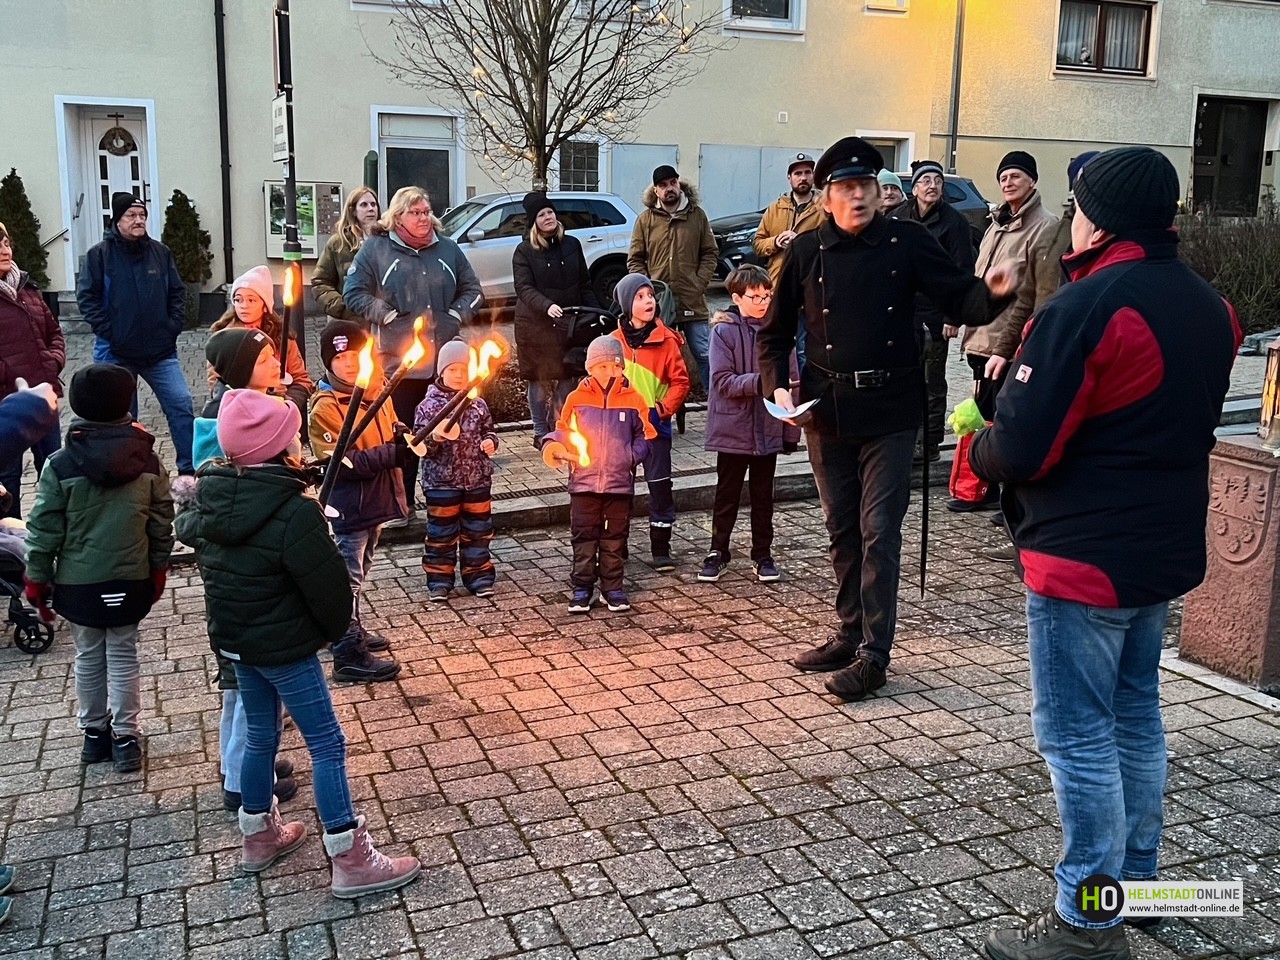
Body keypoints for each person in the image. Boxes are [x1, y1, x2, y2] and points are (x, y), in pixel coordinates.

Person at [972, 147, 1241, 960]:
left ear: (1100, 219)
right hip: (1158, 550)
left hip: (1083, 556)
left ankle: (1088, 921)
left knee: (1078, 736)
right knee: (1135, 717)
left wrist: (980, 444)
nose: (1074, 217)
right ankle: (1139, 887)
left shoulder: (1086, 306)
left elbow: (1024, 448)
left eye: (1079, 204)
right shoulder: (1212, 307)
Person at [760, 136, 1016, 703]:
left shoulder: (908, 240)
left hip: (892, 412)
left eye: (866, 186)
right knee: (842, 529)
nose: (857, 196)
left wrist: (995, 292)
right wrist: (775, 384)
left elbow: (960, 299)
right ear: (826, 198)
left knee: (879, 531)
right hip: (827, 411)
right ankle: (849, 632)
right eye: (846, 188)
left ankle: (875, 655)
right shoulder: (806, 251)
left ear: (879, 194)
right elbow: (773, 334)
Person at [175, 389, 422, 899]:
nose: (299, 446)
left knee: (261, 734)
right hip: (285, 646)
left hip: (237, 642)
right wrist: (333, 635)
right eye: (292, 439)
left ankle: (258, 835)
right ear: (277, 449)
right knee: (327, 743)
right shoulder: (293, 512)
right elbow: (329, 589)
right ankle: (350, 857)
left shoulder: (214, 497)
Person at [24, 363, 175, 774]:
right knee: (124, 654)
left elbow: (44, 527)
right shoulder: (147, 459)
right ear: (126, 402)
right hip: (132, 576)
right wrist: (158, 566)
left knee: (89, 656)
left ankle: (94, 735)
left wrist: (37, 576)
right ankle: (126, 737)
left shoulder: (60, 464)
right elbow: (161, 520)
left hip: (79, 582)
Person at [344, 186, 484, 525]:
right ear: (398, 216)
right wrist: (387, 315)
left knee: (448, 436)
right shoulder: (376, 249)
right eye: (415, 213)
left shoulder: (447, 249)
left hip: (444, 367)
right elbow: (353, 293)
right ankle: (402, 505)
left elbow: (473, 290)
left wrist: (456, 315)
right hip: (399, 365)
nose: (423, 218)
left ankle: (447, 503)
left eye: (426, 211)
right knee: (404, 437)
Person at [948, 152, 1056, 512]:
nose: (1008, 183)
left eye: (1016, 176)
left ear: (1033, 181)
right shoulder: (996, 225)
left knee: (1009, 420)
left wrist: (1020, 345)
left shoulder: (1045, 227)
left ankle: (1009, 496)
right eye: (1003, 177)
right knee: (981, 415)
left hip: (1011, 343)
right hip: (981, 338)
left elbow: (1040, 295)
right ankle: (982, 488)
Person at [308, 319, 406, 683]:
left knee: (361, 569)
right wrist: (391, 455)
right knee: (346, 576)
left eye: (355, 355)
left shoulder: (378, 391)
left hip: (376, 499)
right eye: (340, 357)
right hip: (349, 503)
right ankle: (347, 651)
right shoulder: (325, 407)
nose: (349, 363)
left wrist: (405, 437)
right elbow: (340, 462)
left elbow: (392, 426)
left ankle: (347, 626)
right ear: (327, 362)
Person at [76, 192, 194, 474]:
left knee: (181, 404)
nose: (138, 220)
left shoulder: (160, 253)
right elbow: (87, 299)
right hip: (115, 352)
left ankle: (190, 470)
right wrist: (111, 332)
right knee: (122, 416)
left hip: (160, 352)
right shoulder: (99, 256)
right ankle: (130, 472)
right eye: (131, 215)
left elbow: (177, 293)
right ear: (117, 220)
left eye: (142, 215)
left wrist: (172, 327)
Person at [698, 264, 798, 585]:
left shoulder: (779, 333)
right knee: (726, 495)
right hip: (732, 431)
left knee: (763, 496)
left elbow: (792, 382)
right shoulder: (723, 331)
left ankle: (762, 554)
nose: (763, 302)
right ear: (737, 298)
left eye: (767, 295)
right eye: (755, 297)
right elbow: (721, 381)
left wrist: (791, 430)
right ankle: (717, 551)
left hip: (768, 428)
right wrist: (763, 382)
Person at [541, 335, 654, 614]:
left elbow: (646, 435)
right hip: (583, 484)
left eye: (614, 366)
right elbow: (562, 430)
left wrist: (630, 456)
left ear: (622, 367)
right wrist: (553, 445)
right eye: (602, 367)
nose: (609, 372)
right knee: (584, 537)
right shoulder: (576, 399)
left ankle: (612, 588)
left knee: (614, 538)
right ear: (590, 368)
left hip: (619, 485)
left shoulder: (634, 400)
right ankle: (582, 588)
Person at [890, 160, 977, 464]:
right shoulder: (898, 216)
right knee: (903, 378)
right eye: (926, 181)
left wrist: (953, 316)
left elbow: (962, 270)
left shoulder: (954, 222)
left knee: (932, 382)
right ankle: (902, 439)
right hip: (901, 313)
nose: (932, 186)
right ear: (914, 188)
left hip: (936, 314)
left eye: (938, 181)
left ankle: (929, 444)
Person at [610, 273, 690, 571]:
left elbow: (680, 382)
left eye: (651, 296)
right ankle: (617, 543)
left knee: (659, 486)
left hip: (655, 426)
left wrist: (662, 409)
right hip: (621, 430)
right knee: (619, 489)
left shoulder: (667, 340)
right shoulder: (612, 342)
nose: (649, 302)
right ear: (626, 304)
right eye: (640, 297)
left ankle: (660, 547)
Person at [413, 339, 499, 602]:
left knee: (478, 532)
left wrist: (490, 442)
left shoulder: (478, 403)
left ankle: (479, 577)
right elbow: (419, 445)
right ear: (441, 372)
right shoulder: (428, 406)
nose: (459, 375)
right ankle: (439, 580)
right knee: (441, 534)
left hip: (476, 480)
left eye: (464, 369)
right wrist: (434, 440)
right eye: (453, 370)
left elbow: (489, 430)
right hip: (442, 483)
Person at [513, 192, 601, 450]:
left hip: (568, 325)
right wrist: (546, 305)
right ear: (534, 222)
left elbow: (584, 284)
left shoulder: (572, 244)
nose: (548, 217)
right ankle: (540, 432)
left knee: (567, 376)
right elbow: (524, 288)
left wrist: (596, 312)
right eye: (541, 215)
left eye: (550, 212)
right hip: (535, 327)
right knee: (538, 380)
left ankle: (557, 426)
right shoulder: (524, 251)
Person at [627, 165, 718, 392]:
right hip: (660, 305)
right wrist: (648, 291)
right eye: (663, 185)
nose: (669, 188)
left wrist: (699, 283)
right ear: (656, 190)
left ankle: (715, 403)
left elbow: (710, 253)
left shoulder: (697, 216)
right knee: (660, 359)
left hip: (692, 300)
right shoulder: (645, 220)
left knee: (705, 354)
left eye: (673, 183)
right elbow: (635, 259)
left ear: (679, 184)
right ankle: (665, 405)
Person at [0, 221, 65, 518]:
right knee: (8, 478)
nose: (5, 251)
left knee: (53, 469)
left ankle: (52, 531)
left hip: (43, 398)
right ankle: (10, 536)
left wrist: (52, 362)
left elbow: (54, 332)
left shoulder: (27, 288)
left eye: (6, 243)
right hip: (6, 404)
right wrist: (9, 374)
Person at [209, 266, 313, 418]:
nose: (244, 305)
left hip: (280, 414)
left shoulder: (282, 336)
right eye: (238, 300)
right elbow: (216, 384)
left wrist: (289, 403)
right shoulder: (224, 340)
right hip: (241, 414)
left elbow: (302, 380)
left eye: (251, 300)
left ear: (265, 305)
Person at [194, 328, 282, 467]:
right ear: (240, 372)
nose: (277, 364)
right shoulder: (219, 420)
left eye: (272, 355)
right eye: (263, 360)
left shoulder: (271, 401)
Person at [754, 153, 825, 288]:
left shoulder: (825, 209)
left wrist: (801, 243)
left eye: (807, 172)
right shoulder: (775, 208)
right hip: (778, 284)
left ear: (813, 175)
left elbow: (832, 245)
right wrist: (776, 241)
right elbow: (758, 244)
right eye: (797, 173)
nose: (803, 178)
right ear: (789, 178)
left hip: (810, 285)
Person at [313, 187, 381, 322]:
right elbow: (320, 282)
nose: (370, 209)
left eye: (373, 204)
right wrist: (344, 308)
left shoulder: (386, 240)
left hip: (383, 321)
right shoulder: (338, 243)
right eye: (364, 205)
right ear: (353, 211)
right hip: (349, 322)